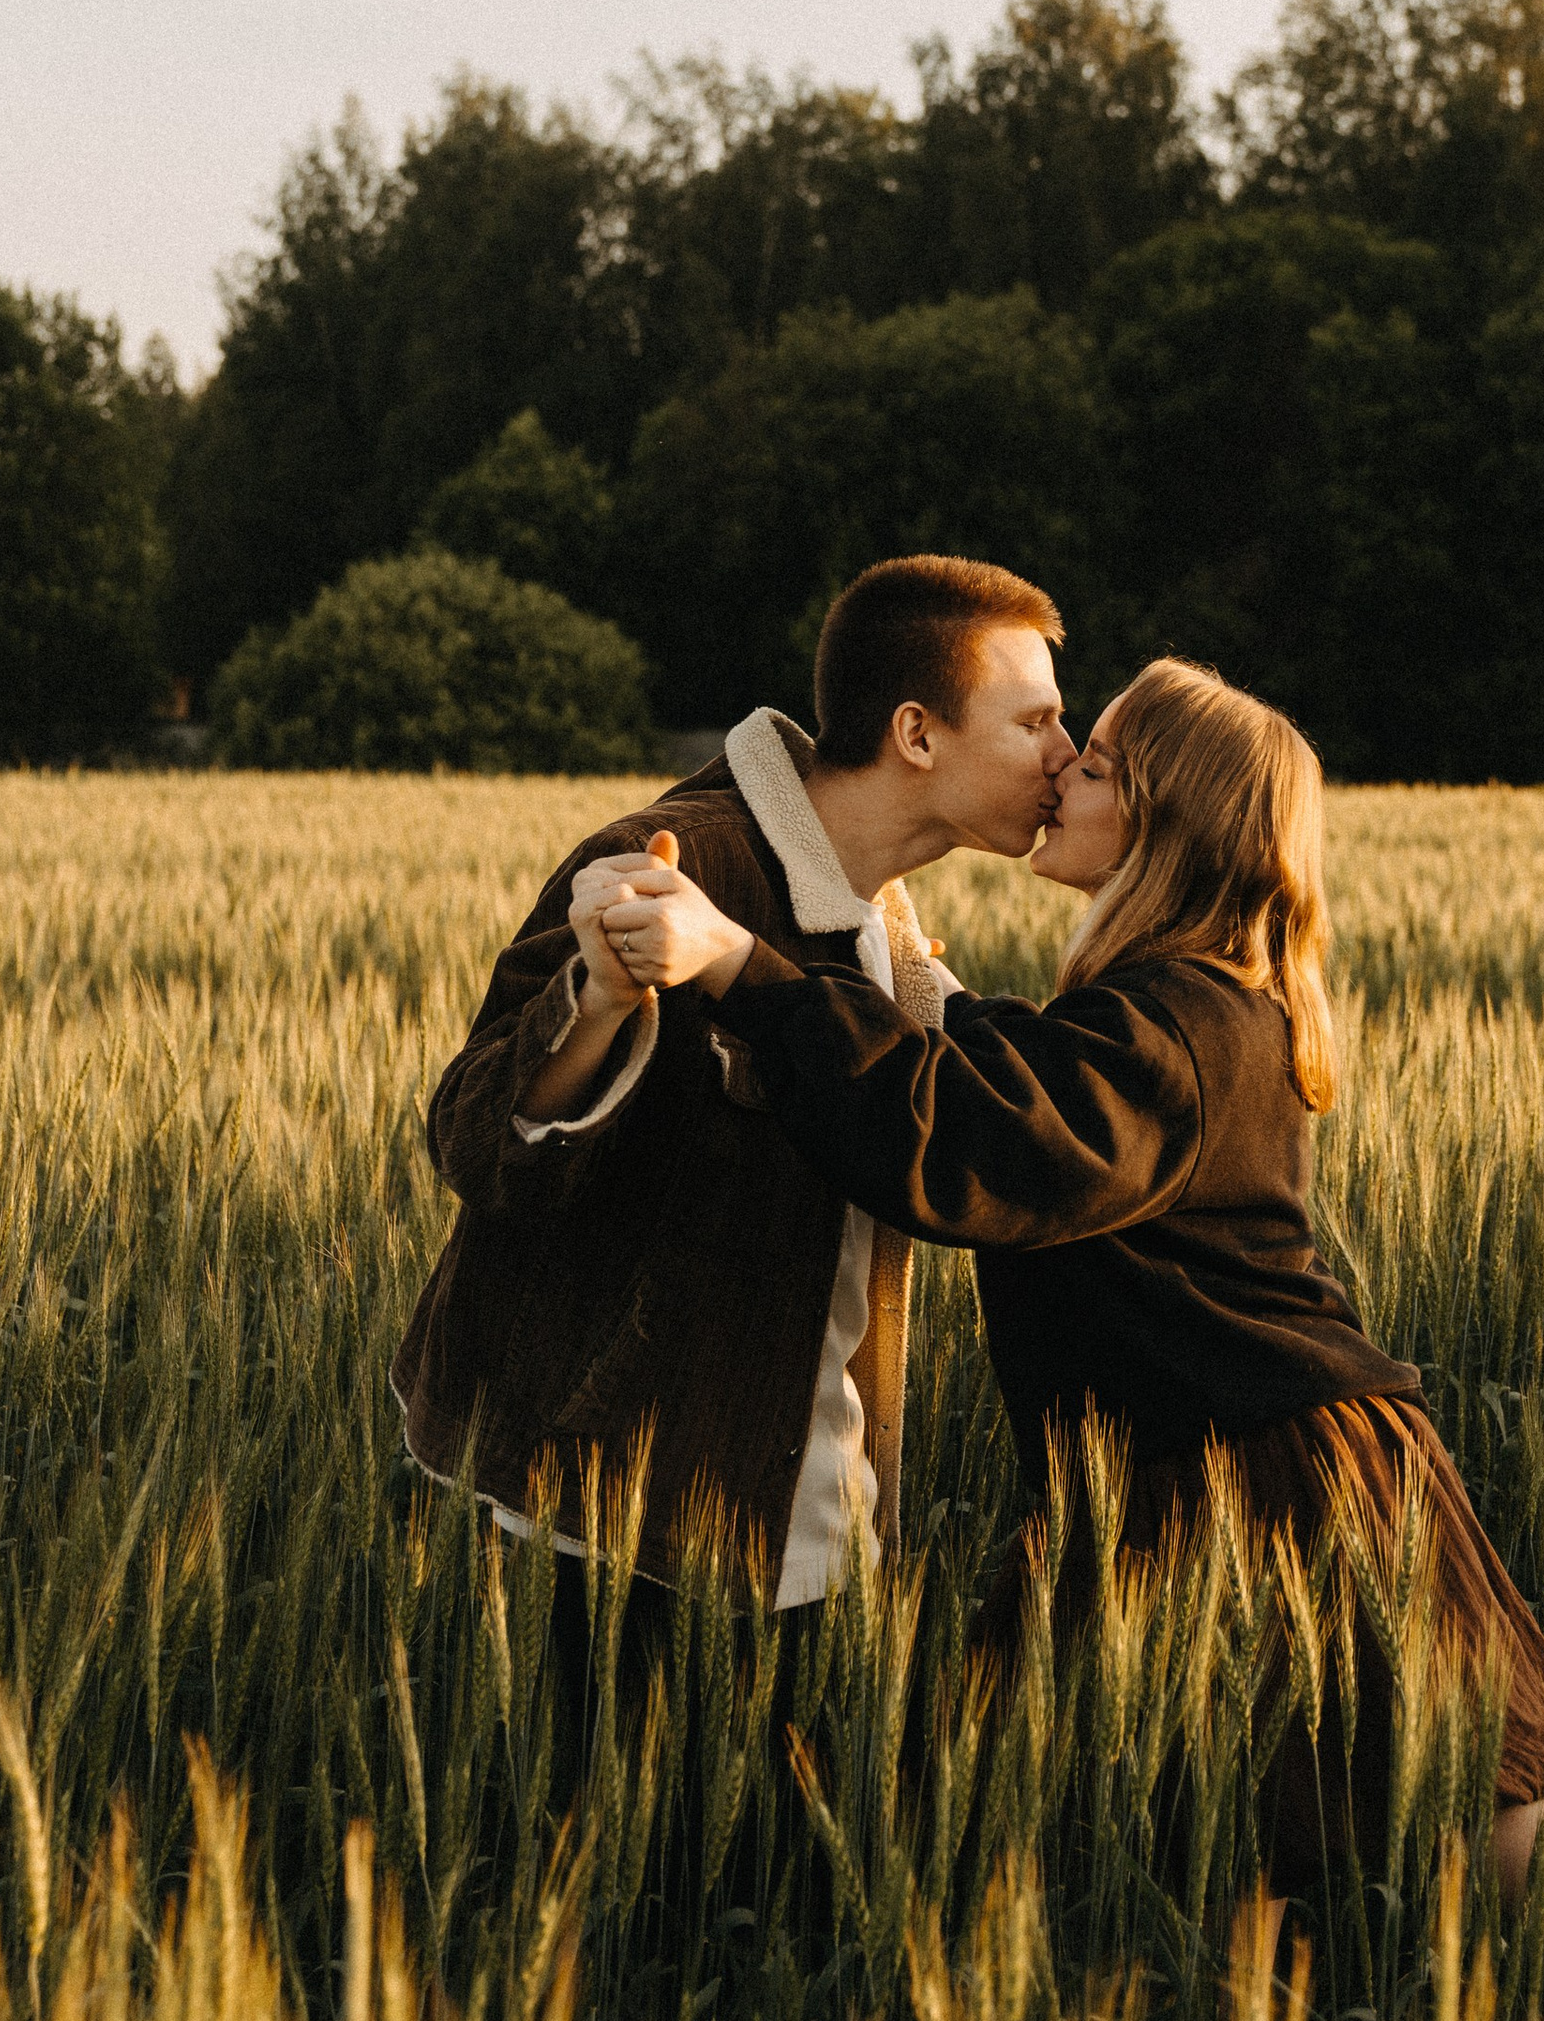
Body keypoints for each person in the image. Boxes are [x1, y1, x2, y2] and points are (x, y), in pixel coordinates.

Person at [593, 654, 1544, 2005]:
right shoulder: (1176, 1008)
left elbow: (975, 1144)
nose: (1063, 768)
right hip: (1194, 1493)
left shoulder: (1179, 1022)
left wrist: (741, 970)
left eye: (1103, 760)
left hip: (1286, 1500)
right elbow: (1016, 1086)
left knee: (1524, 1865)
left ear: (1167, 823)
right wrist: (914, 996)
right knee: (1113, 1862)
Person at [389, 554, 1075, 1728]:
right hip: (599, 1535)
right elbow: (476, 1144)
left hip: (809, 1528)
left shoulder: (887, 935)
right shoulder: (673, 864)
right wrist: (596, 1000)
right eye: (1036, 720)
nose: (1067, 752)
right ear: (916, 732)